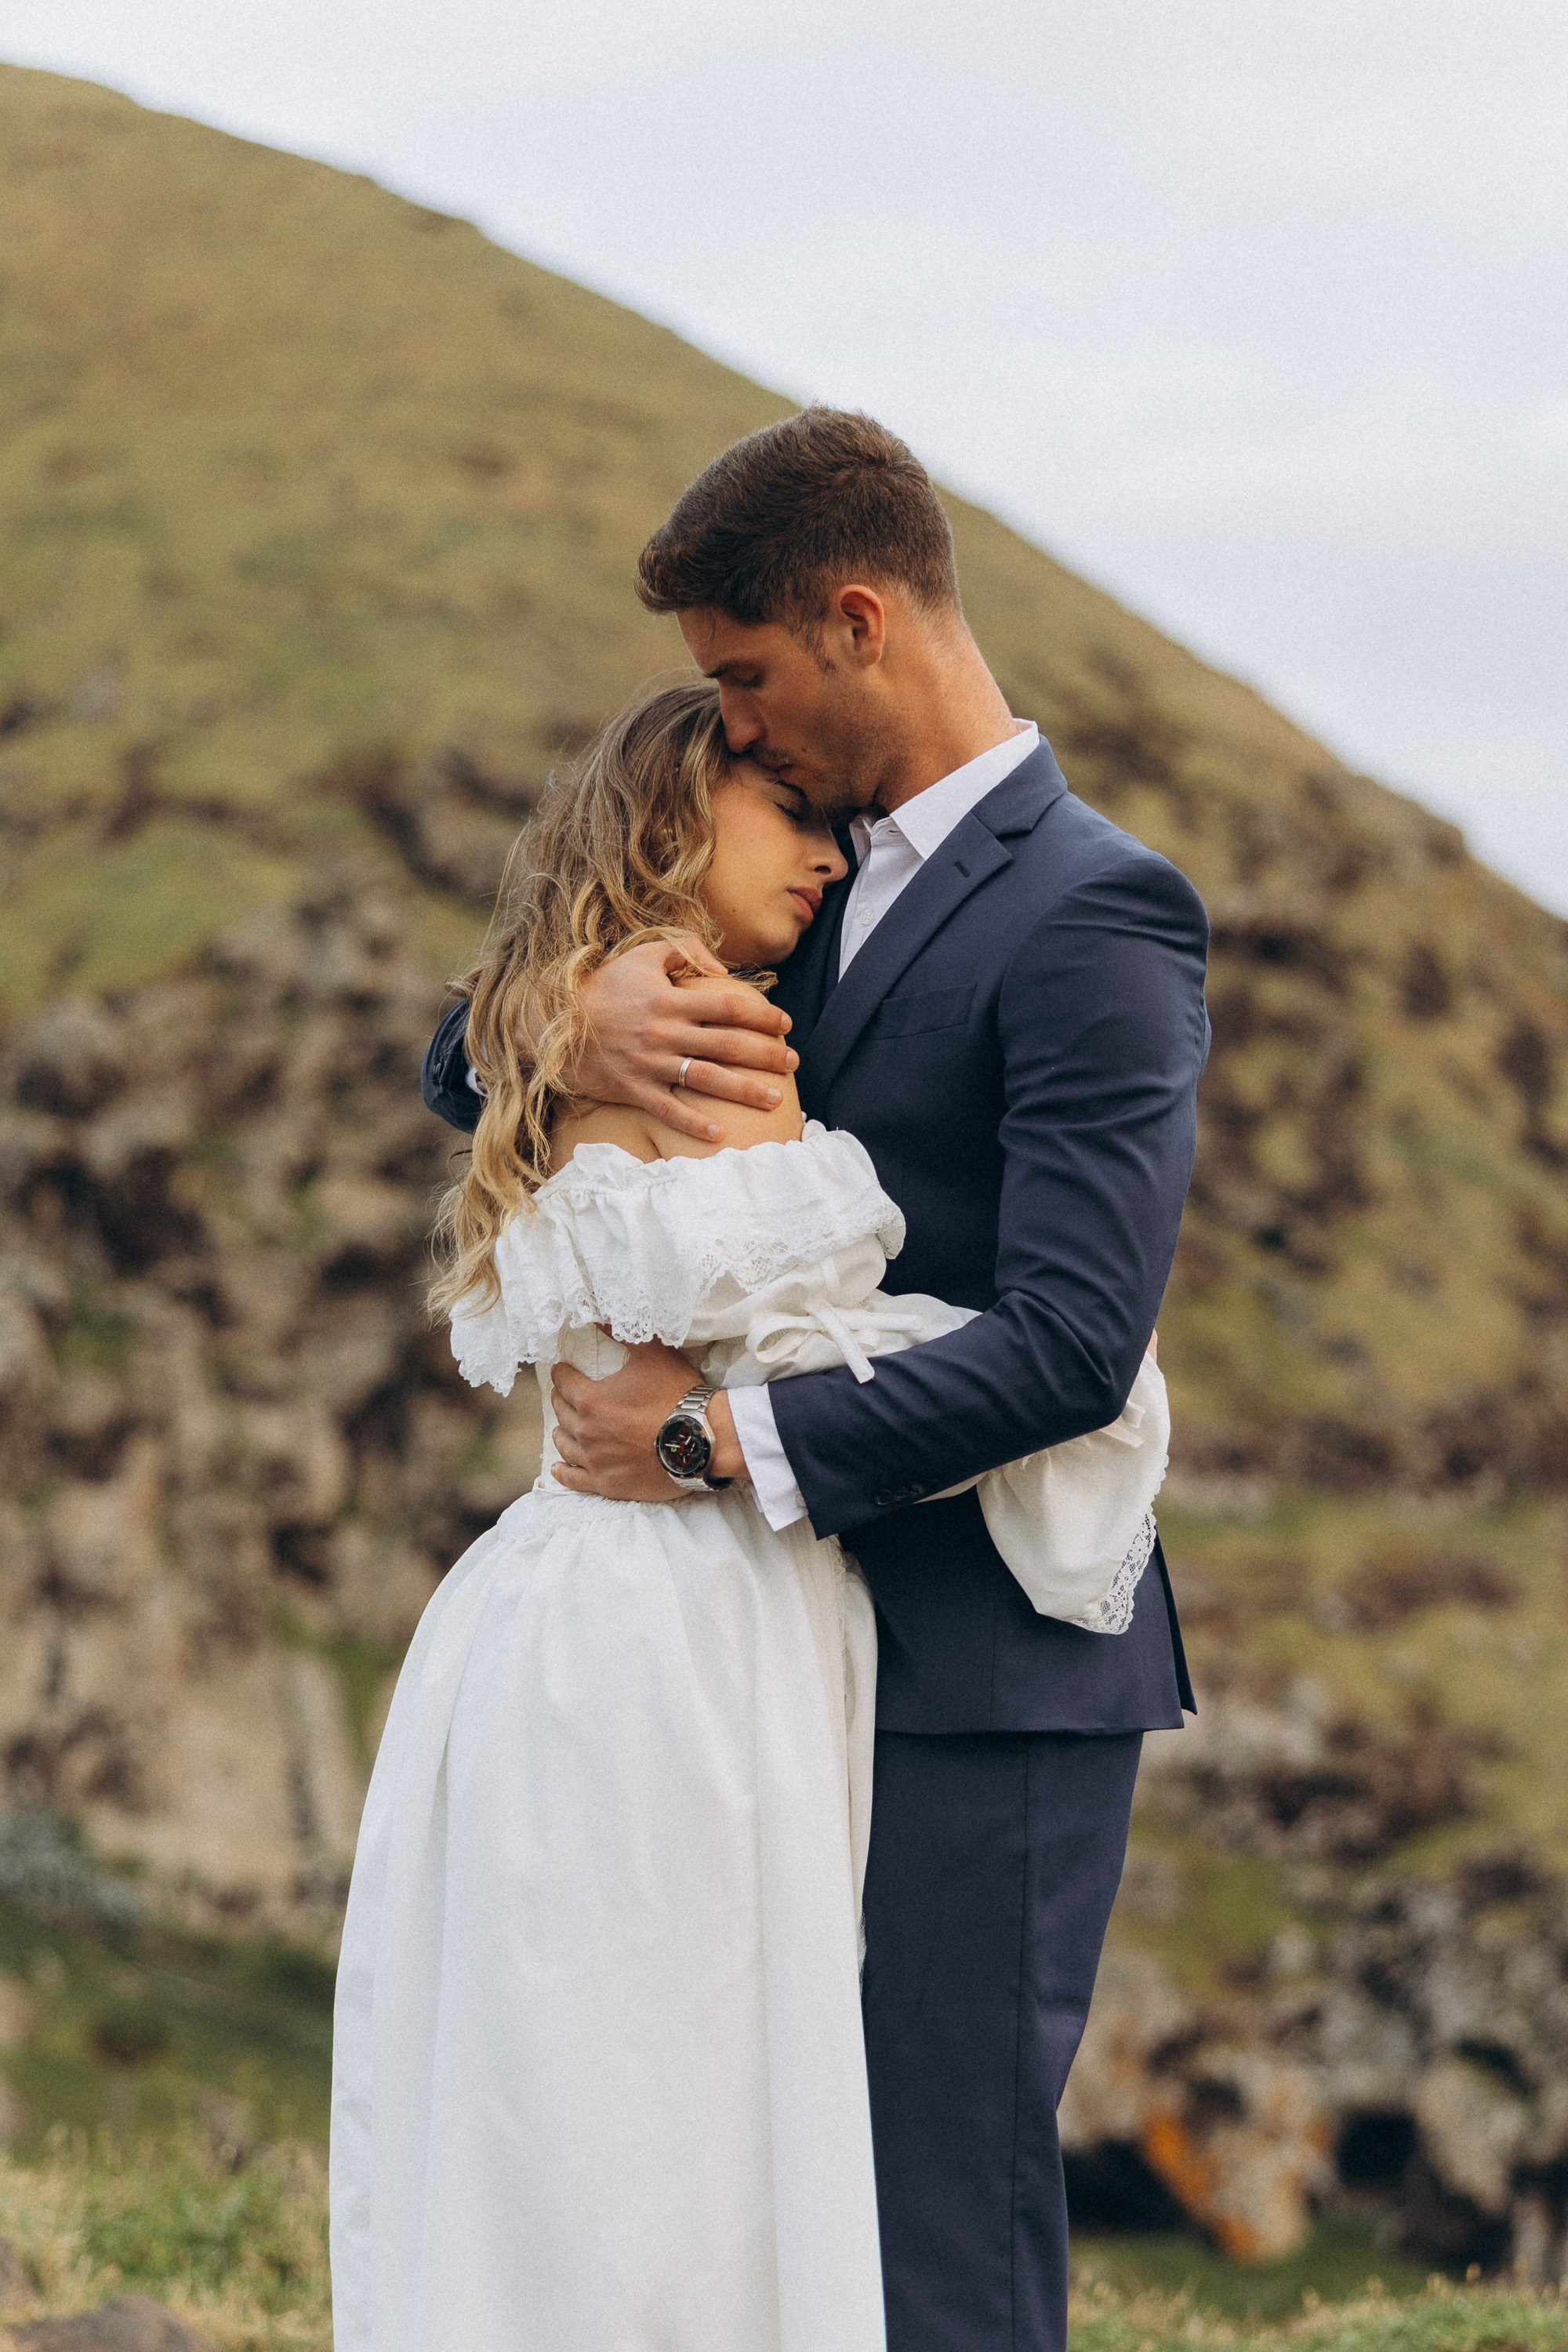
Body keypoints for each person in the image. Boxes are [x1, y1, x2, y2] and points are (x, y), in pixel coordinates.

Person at [419, 409, 1209, 2352]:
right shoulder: (782, 870)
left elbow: (1071, 1340)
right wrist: (552, 1003)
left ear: (860, 621)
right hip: (766, 1663)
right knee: (754, 2186)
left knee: (939, 2204)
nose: (737, 730)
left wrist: (708, 1440)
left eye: (748, 680)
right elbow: (473, 1069)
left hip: (983, 1661)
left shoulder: (1097, 912)